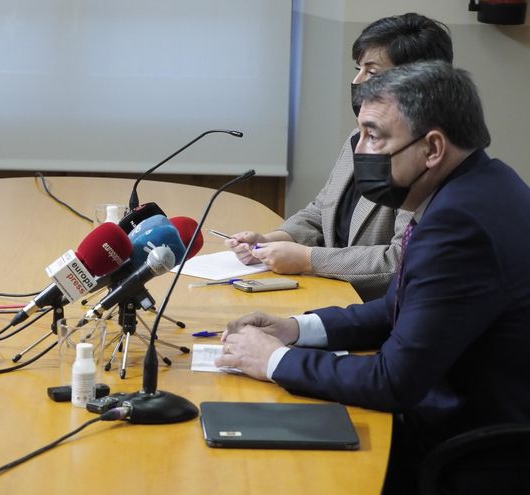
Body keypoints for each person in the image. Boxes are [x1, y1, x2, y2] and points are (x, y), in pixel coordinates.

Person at [216, 61, 530, 493]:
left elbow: (393, 381)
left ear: (432, 148)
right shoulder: (484, 184)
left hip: (467, 451)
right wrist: (296, 329)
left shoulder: (460, 223)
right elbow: (400, 306)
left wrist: (271, 360)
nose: (359, 149)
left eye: (374, 135)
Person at [226, 13, 452, 300]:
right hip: (332, 295)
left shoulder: (426, 156)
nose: (357, 82)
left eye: (371, 73)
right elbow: (321, 210)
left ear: (418, 81)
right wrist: (270, 242)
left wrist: (308, 259)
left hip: (376, 309)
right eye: (358, 69)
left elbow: (400, 259)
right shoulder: (359, 137)